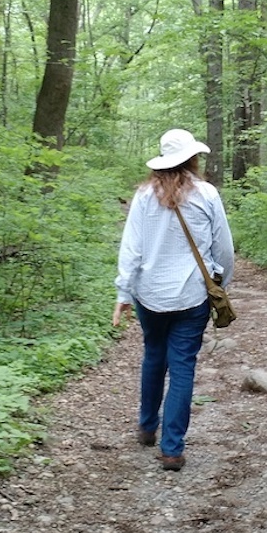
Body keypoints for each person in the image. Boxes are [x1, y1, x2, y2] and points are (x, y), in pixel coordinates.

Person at [113, 128, 234, 471]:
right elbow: (223, 246)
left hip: (148, 294)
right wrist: (224, 284)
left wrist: (124, 292)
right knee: (182, 367)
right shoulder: (207, 194)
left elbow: (131, 250)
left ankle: (147, 425)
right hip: (192, 294)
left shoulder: (143, 196)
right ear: (193, 158)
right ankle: (172, 448)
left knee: (153, 355)